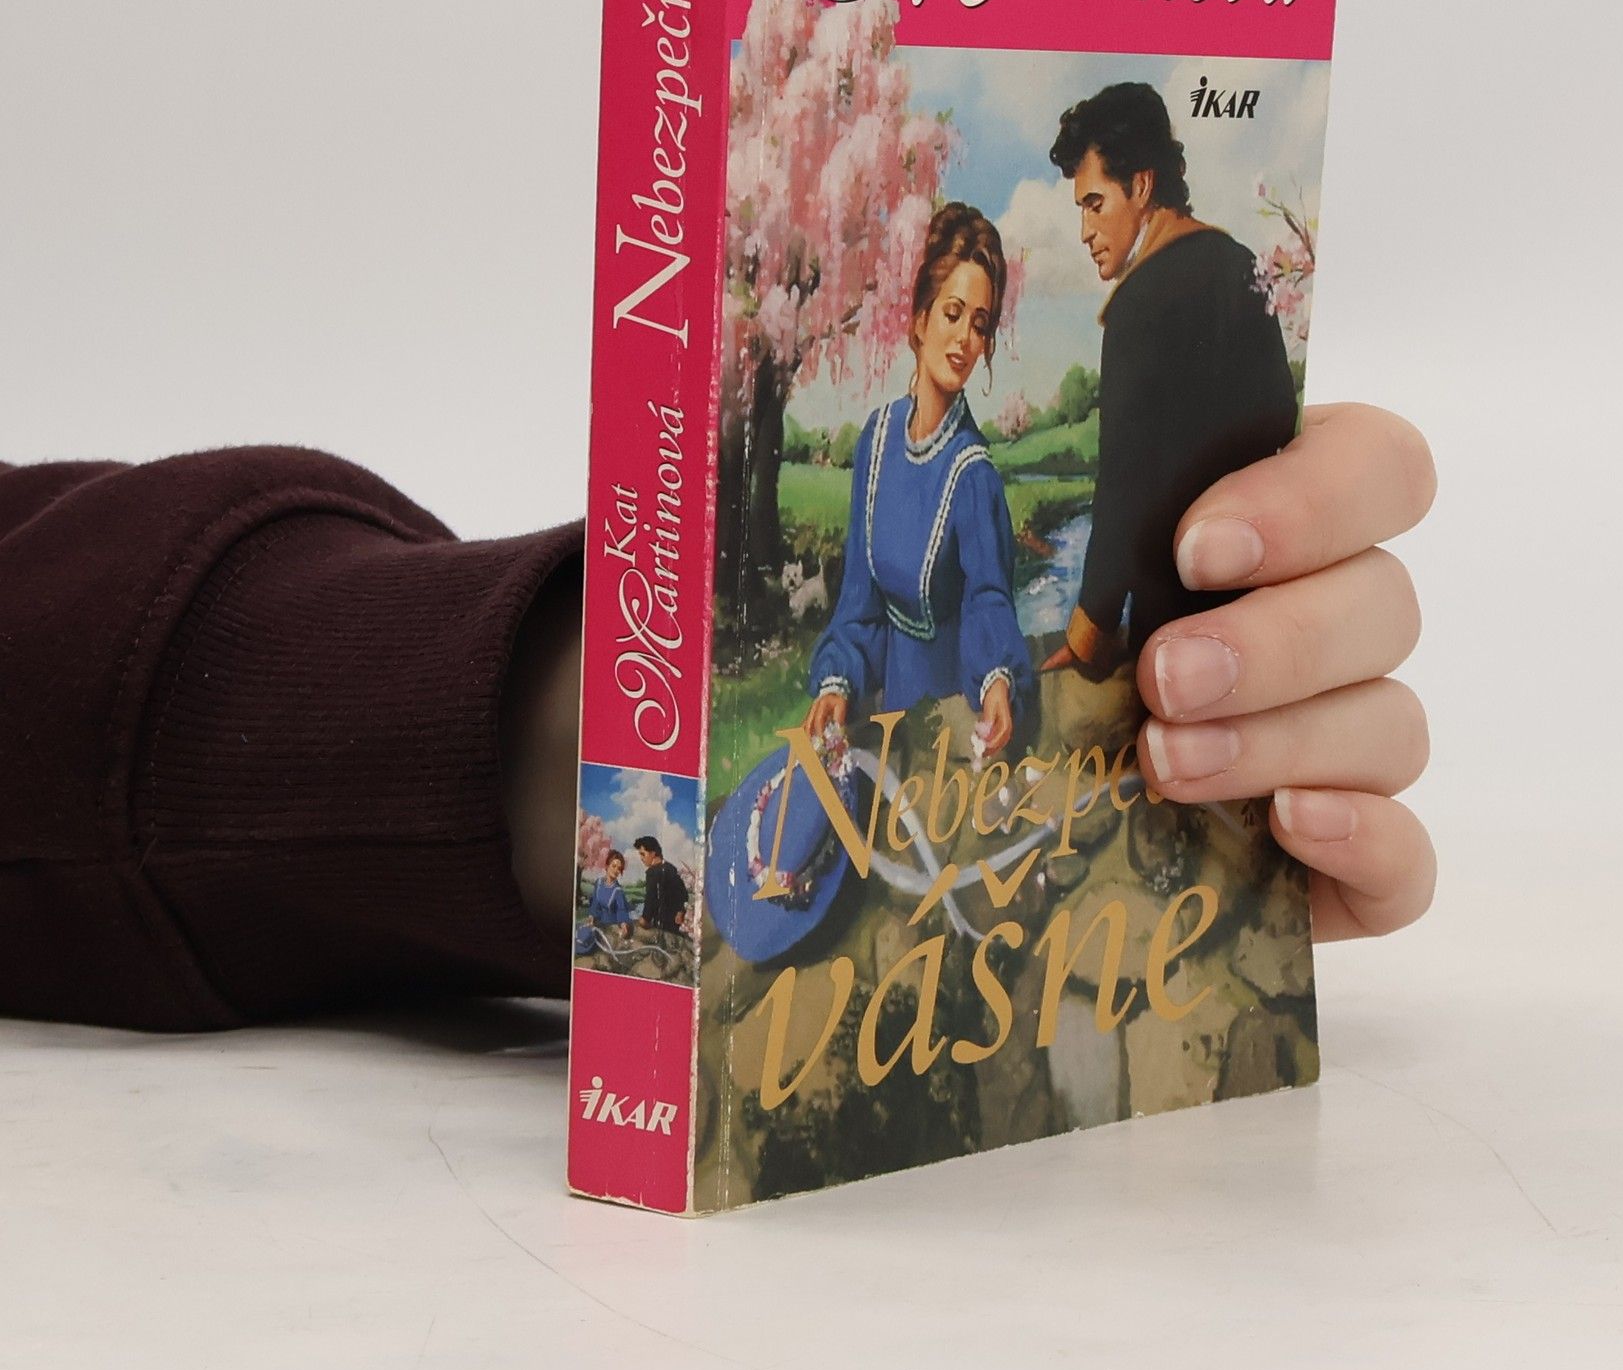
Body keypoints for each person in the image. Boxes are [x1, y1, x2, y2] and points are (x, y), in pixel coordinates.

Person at [0, 399, 1435, 1031]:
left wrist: (571, 715)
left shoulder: (968, 475)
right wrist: (573, 733)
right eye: (948, 312)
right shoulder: (879, 454)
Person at [1043, 81, 1297, 676]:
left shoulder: (1135, 307)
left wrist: (1090, 634)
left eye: (1094, 204)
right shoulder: (1241, 264)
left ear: (1141, 186)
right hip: (1261, 592)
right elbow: (1283, 416)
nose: (1084, 231)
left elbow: (1121, 489)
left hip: (1174, 616)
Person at [803, 202, 1035, 755]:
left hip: (949, 714)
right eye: (953, 314)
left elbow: (987, 600)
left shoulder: (973, 474)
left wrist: (996, 680)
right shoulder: (877, 440)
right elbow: (859, 600)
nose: (965, 339)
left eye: (979, 324)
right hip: (884, 702)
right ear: (920, 320)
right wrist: (837, 681)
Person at [578, 851, 634, 953]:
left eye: (619, 868)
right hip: (598, 922)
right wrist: (591, 916)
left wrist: (623, 924)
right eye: (614, 866)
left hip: (611, 925)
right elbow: (595, 902)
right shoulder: (599, 883)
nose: (616, 870)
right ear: (607, 866)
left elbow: (621, 910)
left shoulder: (618, 891)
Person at [632, 836, 688, 936]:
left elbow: (650, 899)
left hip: (661, 926)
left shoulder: (652, 873)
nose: (641, 858)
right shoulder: (670, 868)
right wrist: (681, 911)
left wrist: (645, 919)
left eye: (643, 854)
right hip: (674, 927)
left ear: (653, 853)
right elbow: (683, 894)